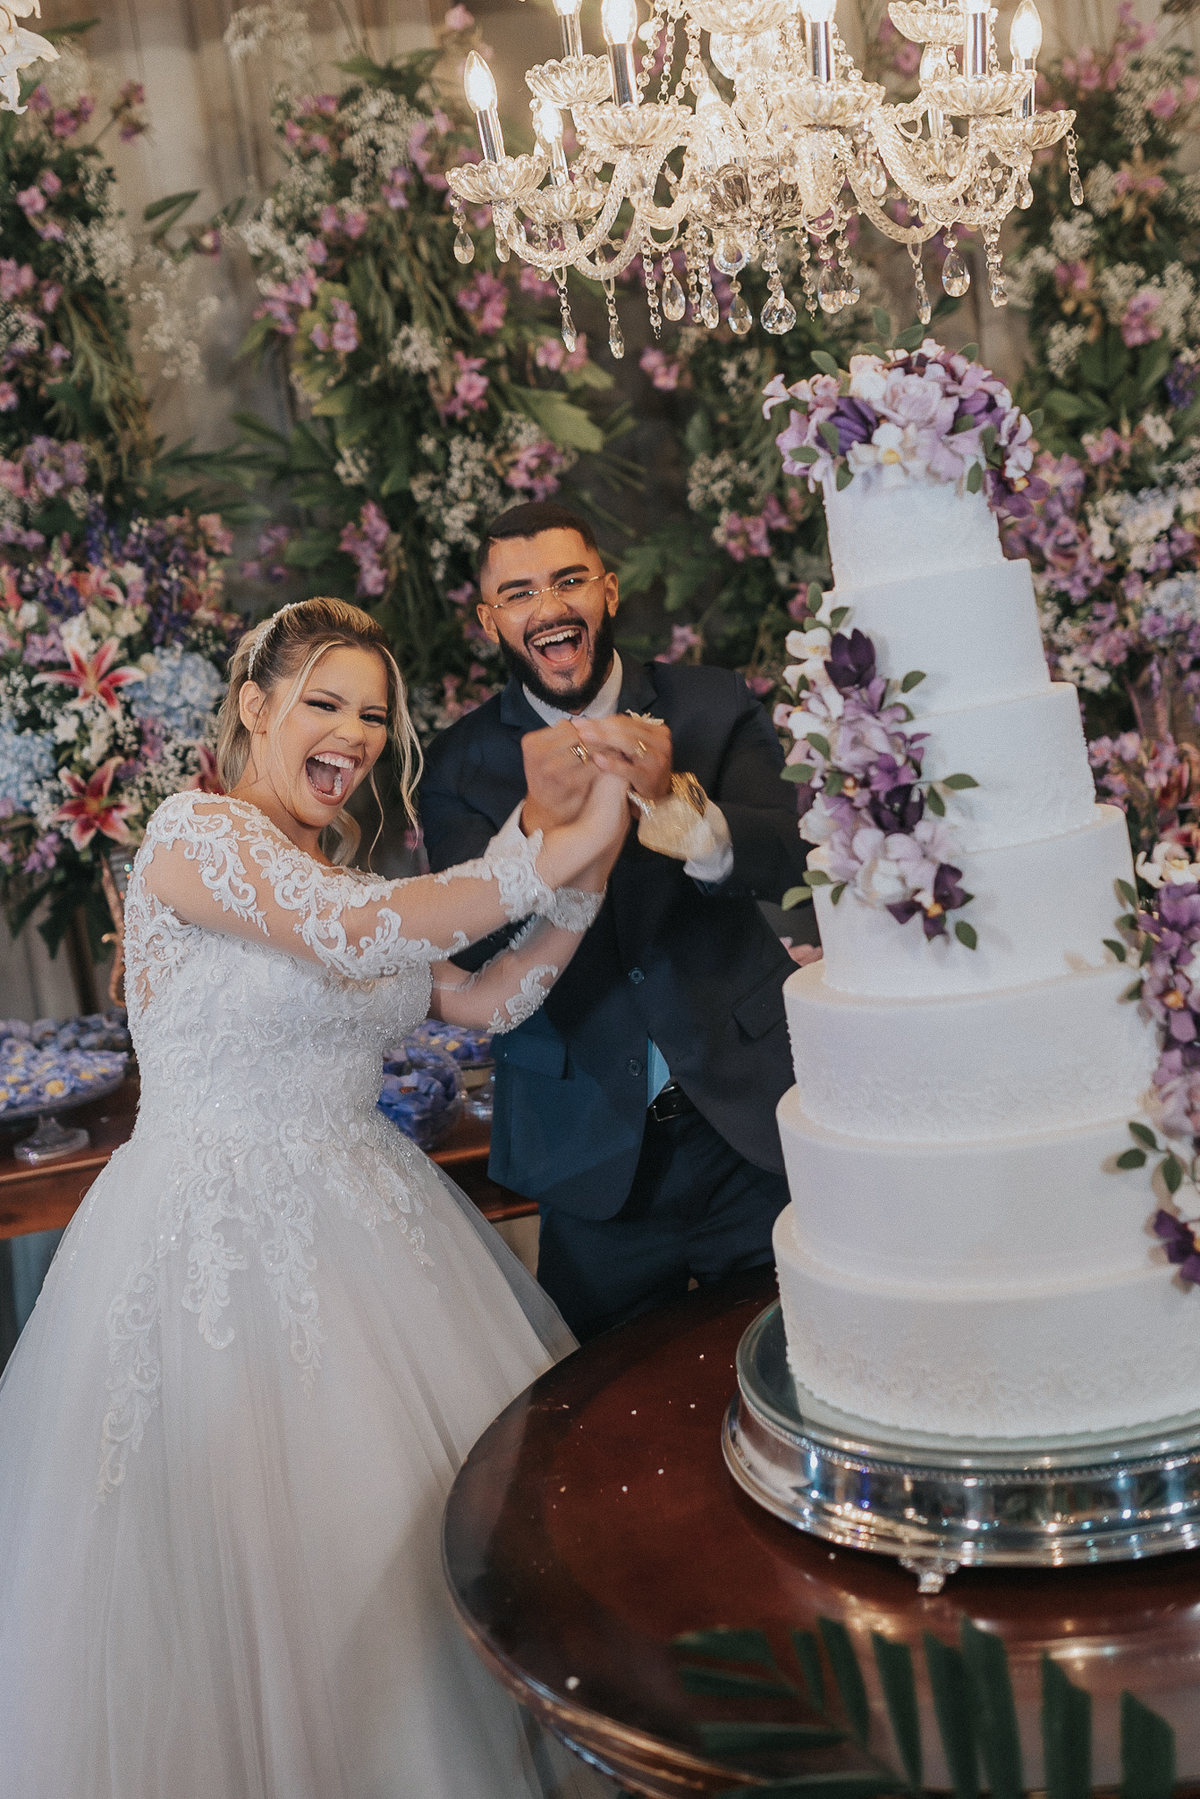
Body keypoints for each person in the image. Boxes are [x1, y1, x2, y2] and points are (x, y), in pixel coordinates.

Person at [0, 596, 631, 1799]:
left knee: (414, 1558)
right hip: (206, 1252)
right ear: (255, 705)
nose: (354, 734)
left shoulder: (335, 869)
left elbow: (478, 1003)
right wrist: (542, 849)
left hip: (372, 1227)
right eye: (325, 703)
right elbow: (358, 931)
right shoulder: (194, 837)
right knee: (268, 1574)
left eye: (375, 716)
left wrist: (581, 883)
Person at [420, 501, 813, 1342]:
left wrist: (677, 805)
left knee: (809, 1355)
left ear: (606, 588)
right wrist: (531, 826)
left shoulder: (710, 703)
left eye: (568, 581)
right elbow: (465, 946)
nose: (550, 606)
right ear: (492, 619)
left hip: (749, 1124)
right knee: (603, 1419)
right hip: (588, 1152)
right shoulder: (459, 761)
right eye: (519, 593)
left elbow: (789, 851)